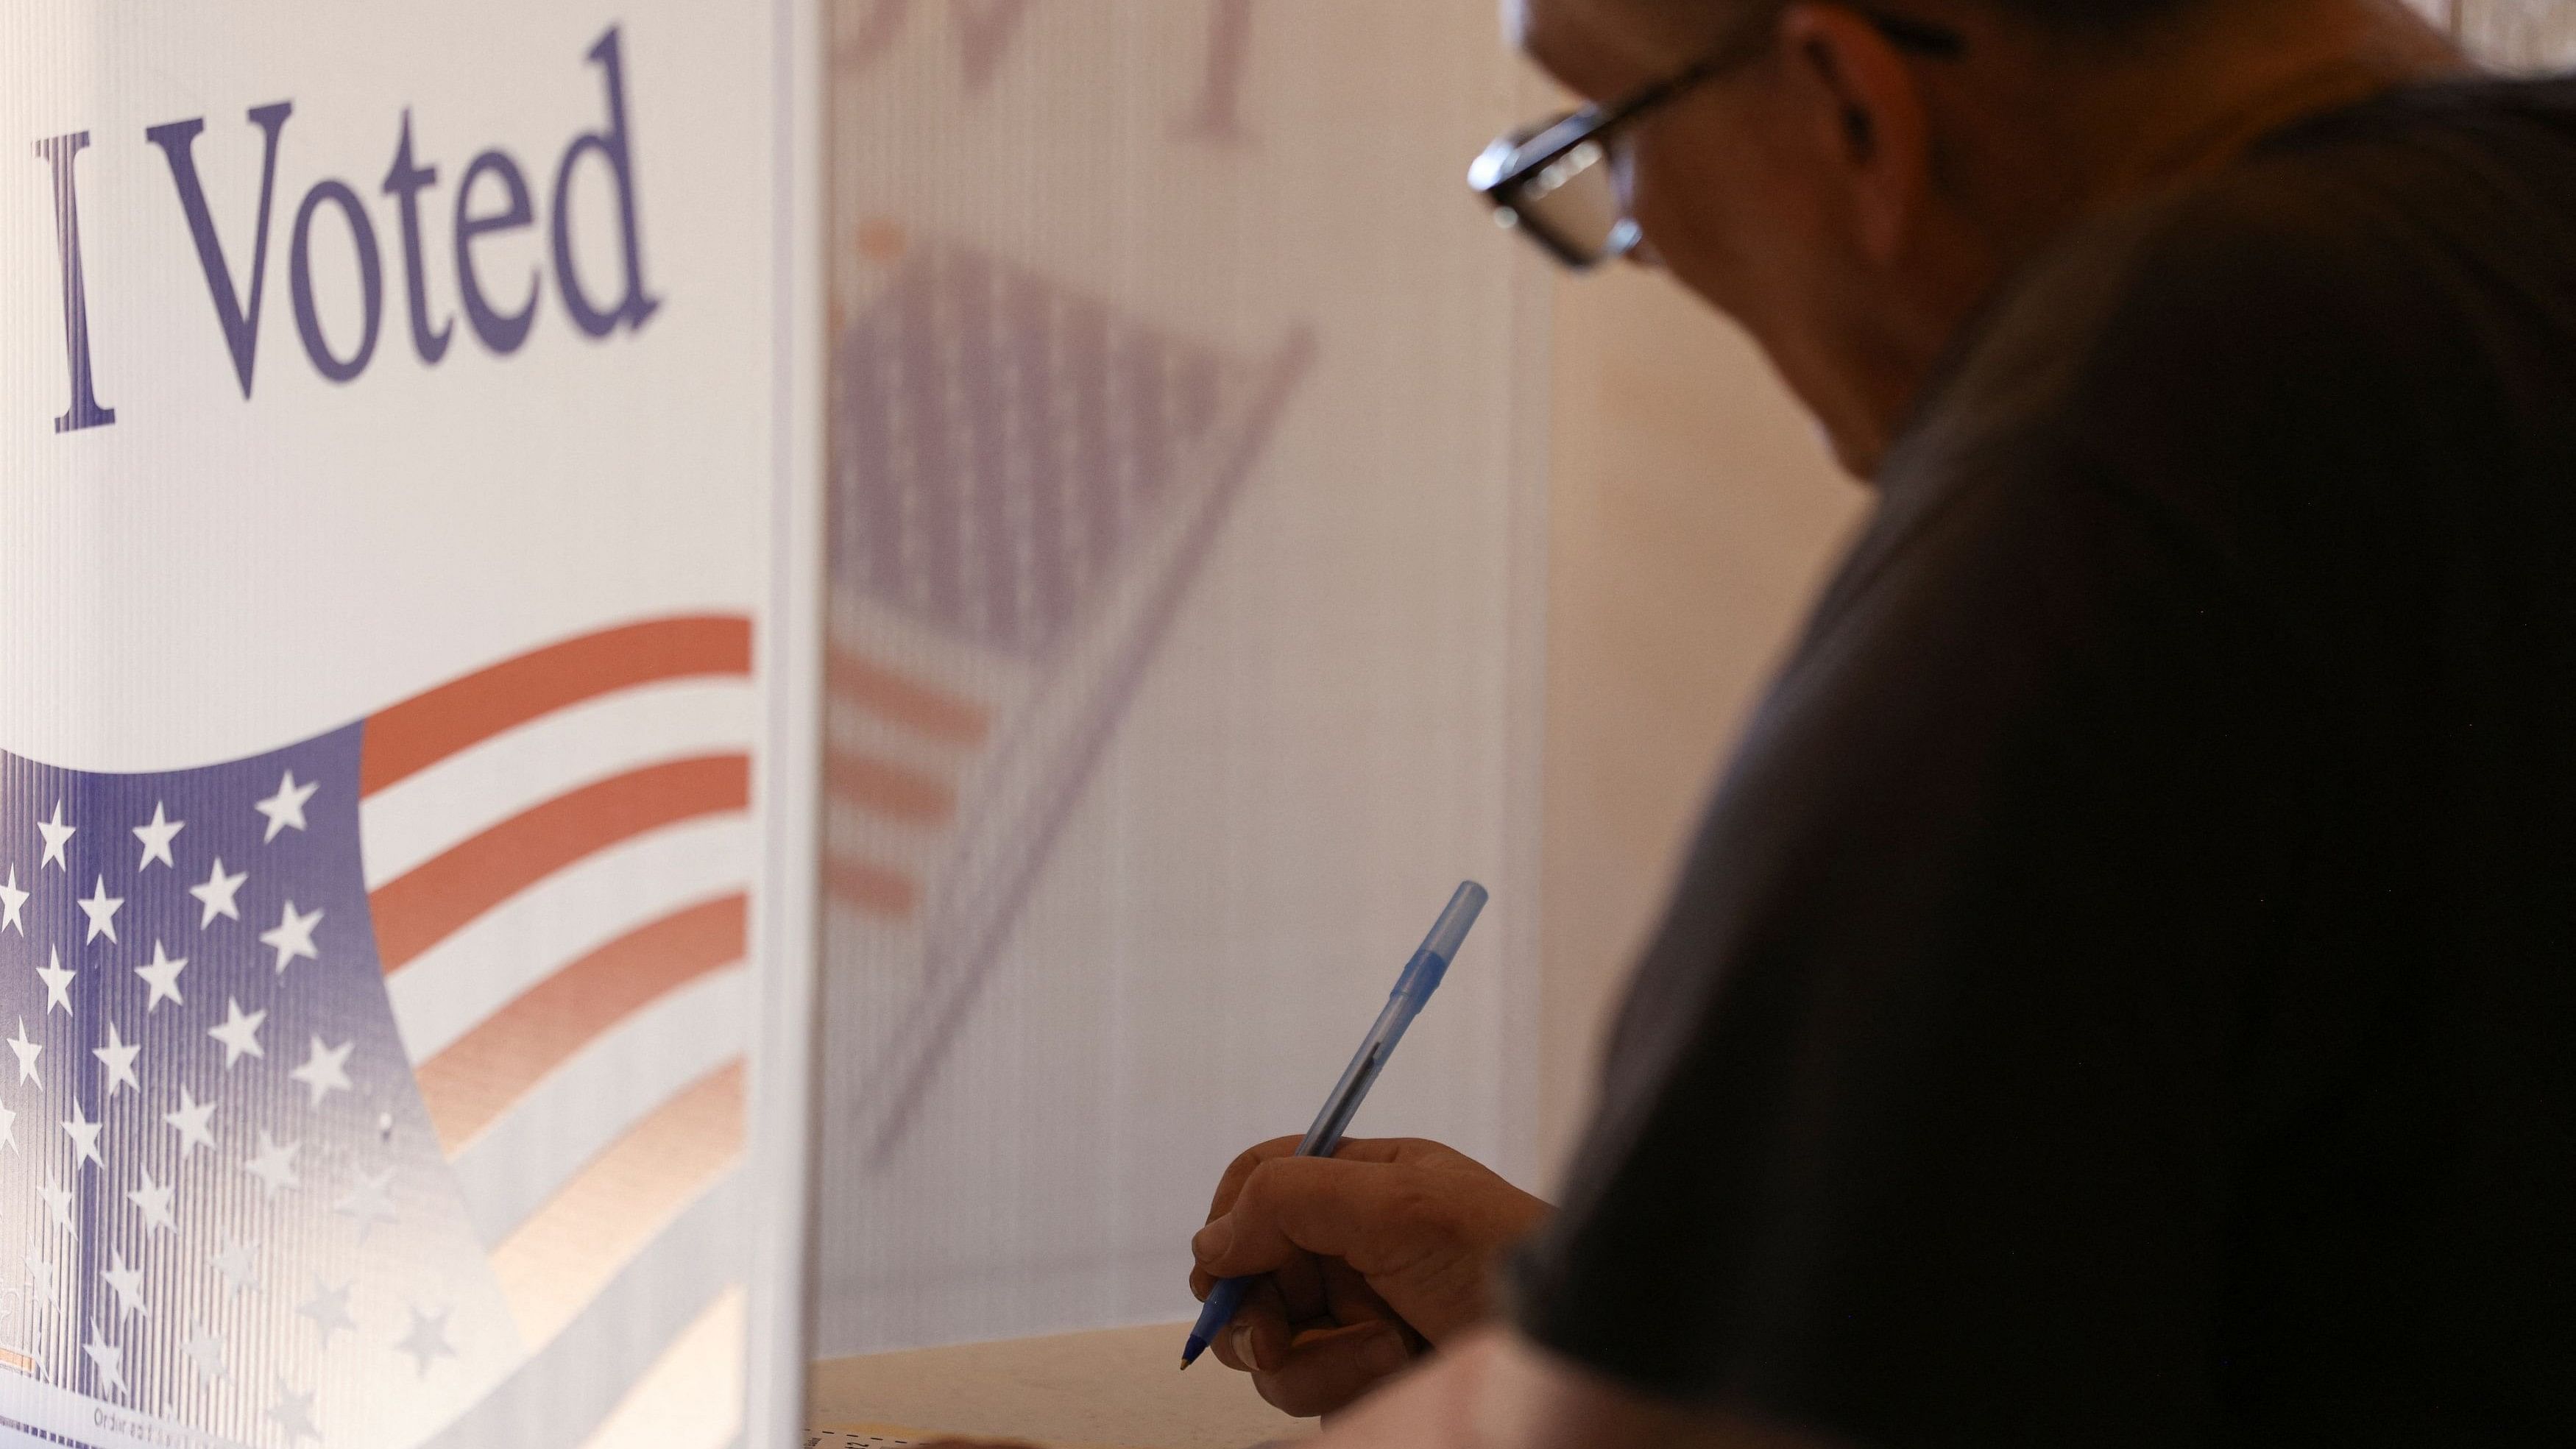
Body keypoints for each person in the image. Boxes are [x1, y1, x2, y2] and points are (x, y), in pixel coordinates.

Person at [946, 0, 2576, 1442]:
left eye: (1606, 143)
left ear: (1855, 108)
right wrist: (1595, 1305)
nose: (1631, 238)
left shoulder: (2119, 454)